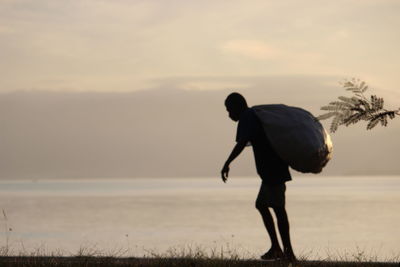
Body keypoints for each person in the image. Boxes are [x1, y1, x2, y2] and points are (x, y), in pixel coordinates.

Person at [221, 92, 296, 261]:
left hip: (273, 170)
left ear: (237, 106)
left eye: (229, 110)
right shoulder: (252, 116)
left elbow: (242, 142)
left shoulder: (247, 117)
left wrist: (227, 162)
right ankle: (278, 248)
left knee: (277, 208)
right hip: (272, 170)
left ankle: (288, 252)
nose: (229, 114)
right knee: (263, 205)